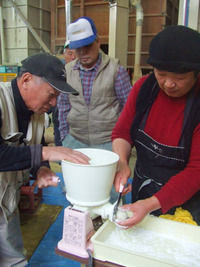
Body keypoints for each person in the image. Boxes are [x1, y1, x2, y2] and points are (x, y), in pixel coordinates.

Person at [0, 52, 90, 267]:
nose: (54, 102)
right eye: (51, 94)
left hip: (6, 201)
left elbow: (33, 148)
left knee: (14, 260)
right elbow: (37, 151)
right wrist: (47, 153)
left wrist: (40, 169)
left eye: (57, 96)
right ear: (27, 80)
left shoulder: (38, 113)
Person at [111, 25, 200, 228]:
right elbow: (122, 132)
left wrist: (150, 205)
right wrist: (122, 162)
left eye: (179, 78)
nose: (169, 83)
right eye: (161, 73)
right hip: (143, 186)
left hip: (187, 199)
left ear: (196, 73)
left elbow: (197, 170)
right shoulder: (144, 88)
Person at [57, 16, 132, 203]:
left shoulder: (115, 70)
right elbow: (63, 107)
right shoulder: (68, 70)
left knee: (111, 194)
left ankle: (110, 227)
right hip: (75, 142)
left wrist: (122, 143)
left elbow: (129, 109)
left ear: (98, 42)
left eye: (88, 46)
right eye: (78, 48)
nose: (83, 52)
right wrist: (66, 137)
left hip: (108, 143)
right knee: (77, 194)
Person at [52, 40, 76, 146]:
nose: (73, 57)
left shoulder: (84, 74)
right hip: (59, 123)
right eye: (70, 53)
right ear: (64, 54)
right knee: (62, 156)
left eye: (76, 54)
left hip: (77, 125)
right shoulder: (56, 72)